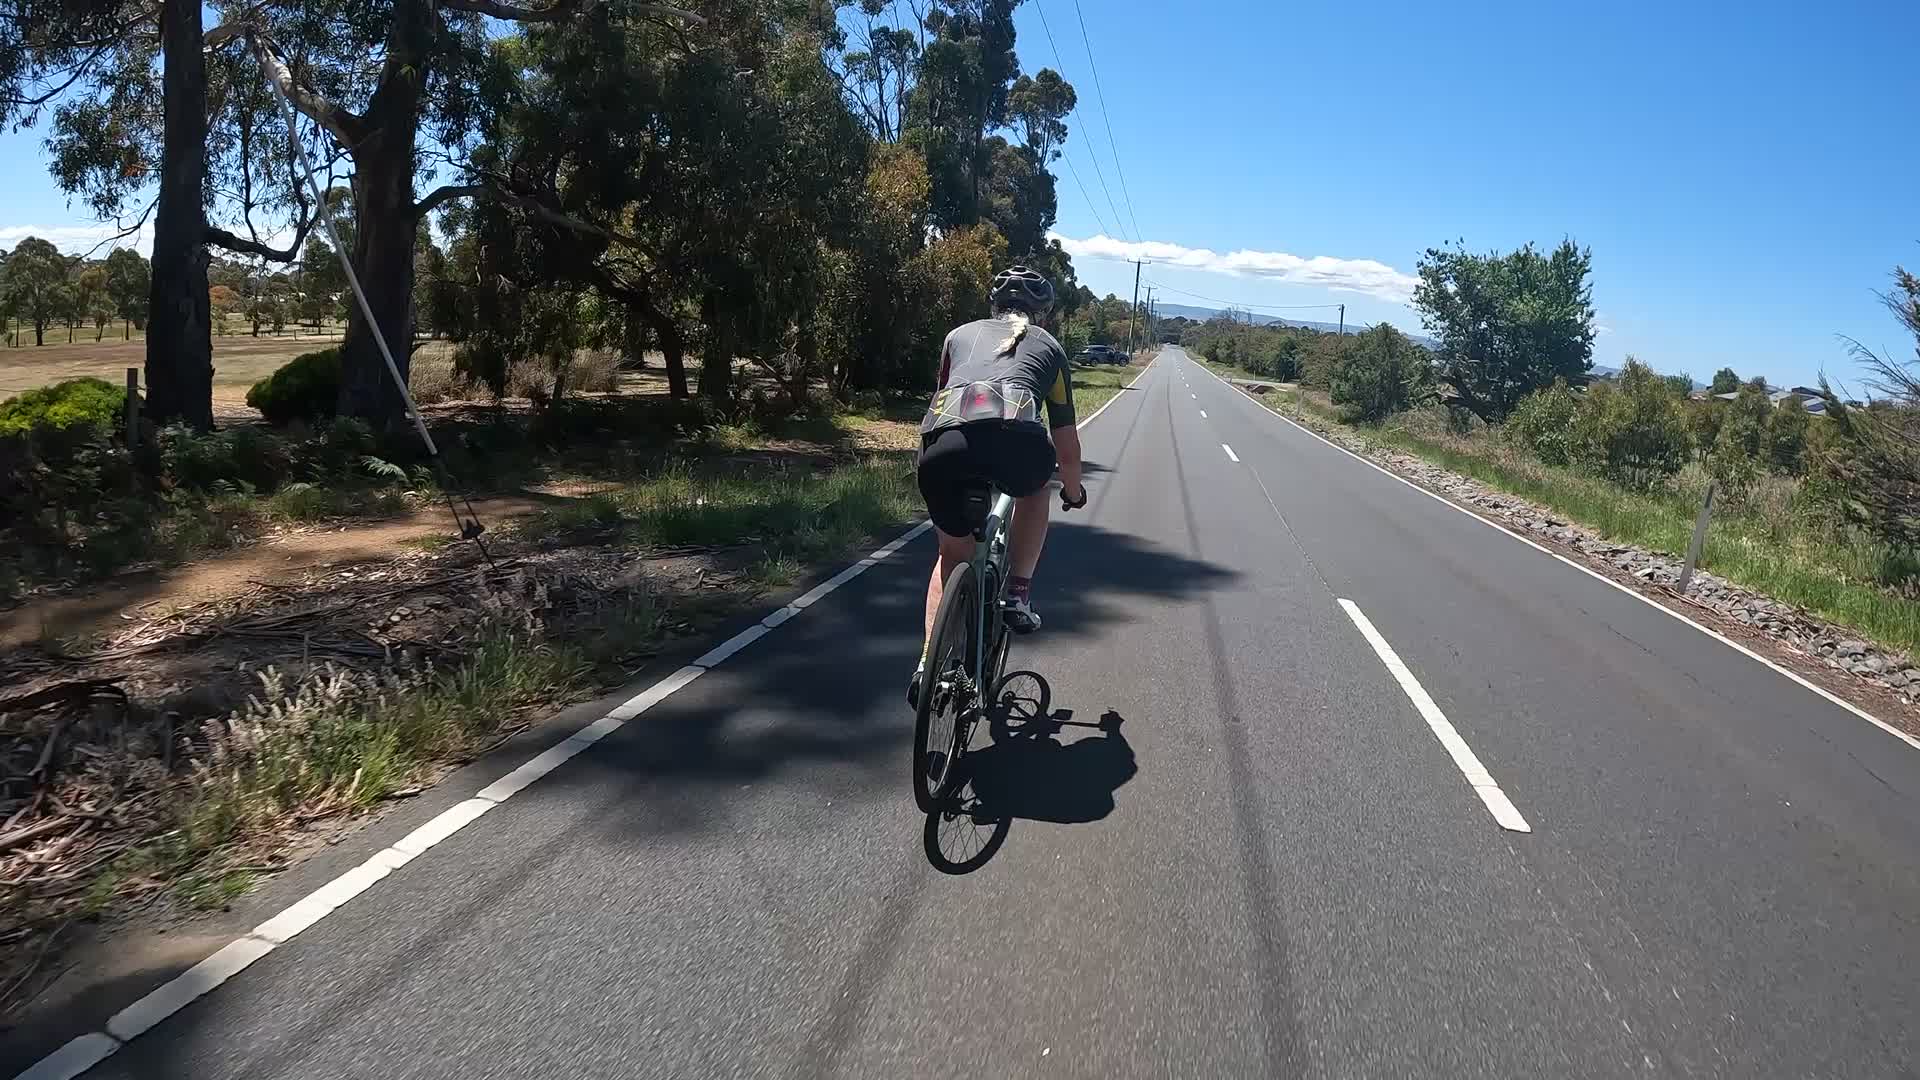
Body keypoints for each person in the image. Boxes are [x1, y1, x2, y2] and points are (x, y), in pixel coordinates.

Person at [909, 265, 1087, 706]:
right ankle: (1018, 593)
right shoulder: (1050, 347)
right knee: (1036, 489)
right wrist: (1073, 490)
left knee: (951, 555)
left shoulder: (957, 335)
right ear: (1043, 314)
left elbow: (942, 395)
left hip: (942, 446)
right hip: (1016, 443)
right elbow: (1066, 444)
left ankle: (927, 666)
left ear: (993, 306)